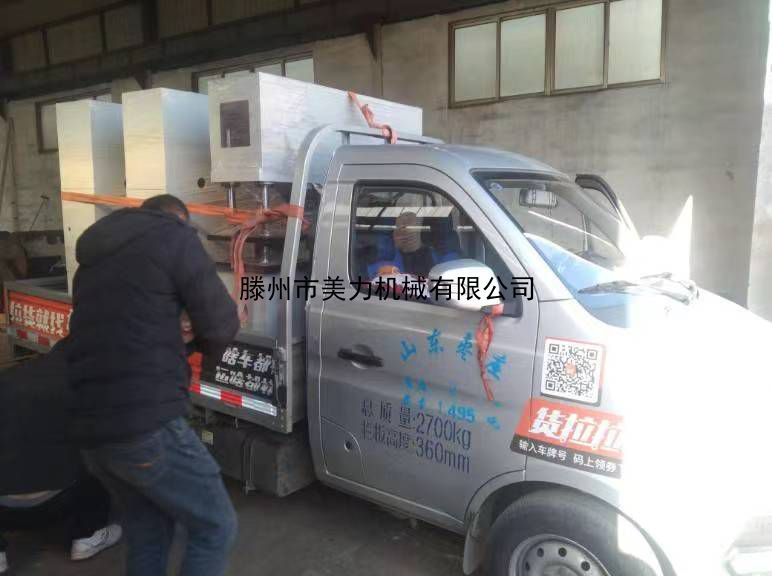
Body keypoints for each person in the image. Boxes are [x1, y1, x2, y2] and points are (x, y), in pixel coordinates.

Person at [66, 194, 240, 576]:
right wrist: (195, 344)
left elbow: (125, 325)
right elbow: (221, 324)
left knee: (149, 530)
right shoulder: (174, 237)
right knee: (216, 526)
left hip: (91, 430)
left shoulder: (93, 258)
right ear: (177, 219)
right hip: (145, 423)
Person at [0, 339, 121, 574]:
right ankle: (87, 536)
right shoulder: (88, 387)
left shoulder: (10, 377)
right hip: (58, 503)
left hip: (4, 508)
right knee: (99, 455)